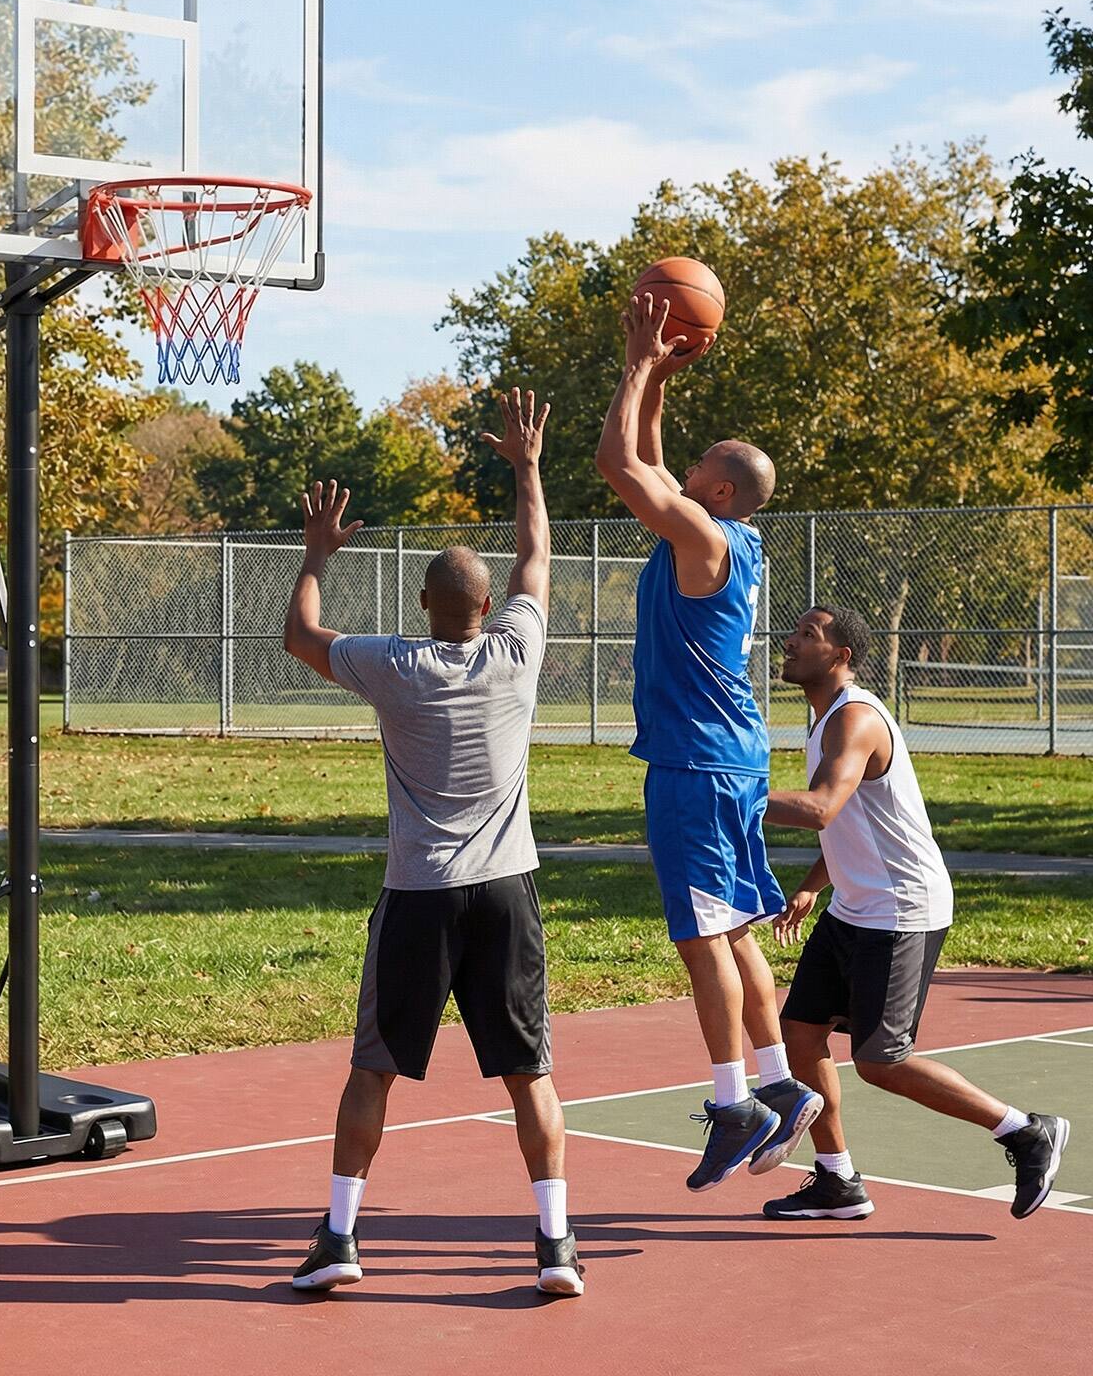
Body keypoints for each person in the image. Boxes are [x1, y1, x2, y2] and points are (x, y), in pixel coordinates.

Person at [280, 388, 582, 1297]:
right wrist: (526, 467)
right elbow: (537, 553)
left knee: (373, 1068)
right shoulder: (516, 653)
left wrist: (316, 555)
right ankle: (557, 1247)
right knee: (528, 1074)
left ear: (424, 603)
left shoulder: (392, 665)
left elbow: (298, 634)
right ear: (488, 608)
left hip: (418, 895)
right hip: (505, 892)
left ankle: (338, 1239)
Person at [594, 291, 821, 1190]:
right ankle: (779, 1086)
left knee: (700, 942)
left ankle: (733, 1103)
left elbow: (619, 463)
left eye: (696, 469)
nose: (677, 470)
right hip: (731, 759)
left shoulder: (701, 535)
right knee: (733, 936)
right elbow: (646, 455)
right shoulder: (733, 536)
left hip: (694, 766)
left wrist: (639, 365)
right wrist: (656, 374)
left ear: (718, 492)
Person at [762, 603, 1071, 1221]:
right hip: (856, 906)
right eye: (793, 631)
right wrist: (815, 883)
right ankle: (837, 1180)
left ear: (841, 655)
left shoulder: (855, 718)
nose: (789, 642)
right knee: (800, 1034)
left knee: (880, 1061)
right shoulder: (823, 717)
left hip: (901, 910)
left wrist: (725, 796)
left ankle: (1023, 1130)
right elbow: (854, 819)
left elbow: (822, 806)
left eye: (807, 635)